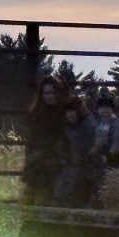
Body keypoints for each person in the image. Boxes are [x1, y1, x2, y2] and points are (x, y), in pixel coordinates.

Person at [21, 75, 70, 205]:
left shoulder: (66, 113)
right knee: (28, 202)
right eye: (47, 93)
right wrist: (30, 161)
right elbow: (30, 142)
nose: (51, 96)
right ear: (42, 95)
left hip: (56, 166)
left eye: (53, 92)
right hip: (36, 165)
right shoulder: (36, 115)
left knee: (46, 202)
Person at [53, 96, 105, 208]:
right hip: (74, 165)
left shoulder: (89, 125)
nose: (70, 114)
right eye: (67, 111)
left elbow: (91, 149)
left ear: (79, 111)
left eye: (73, 111)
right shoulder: (67, 127)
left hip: (90, 166)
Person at [95, 95, 119, 168]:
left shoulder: (118, 123)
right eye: (102, 107)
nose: (104, 110)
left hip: (115, 158)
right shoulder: (95, 123)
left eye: (107, 107)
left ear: (112, 109)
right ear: (98, 110)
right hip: (97, 157)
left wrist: (108, 155)